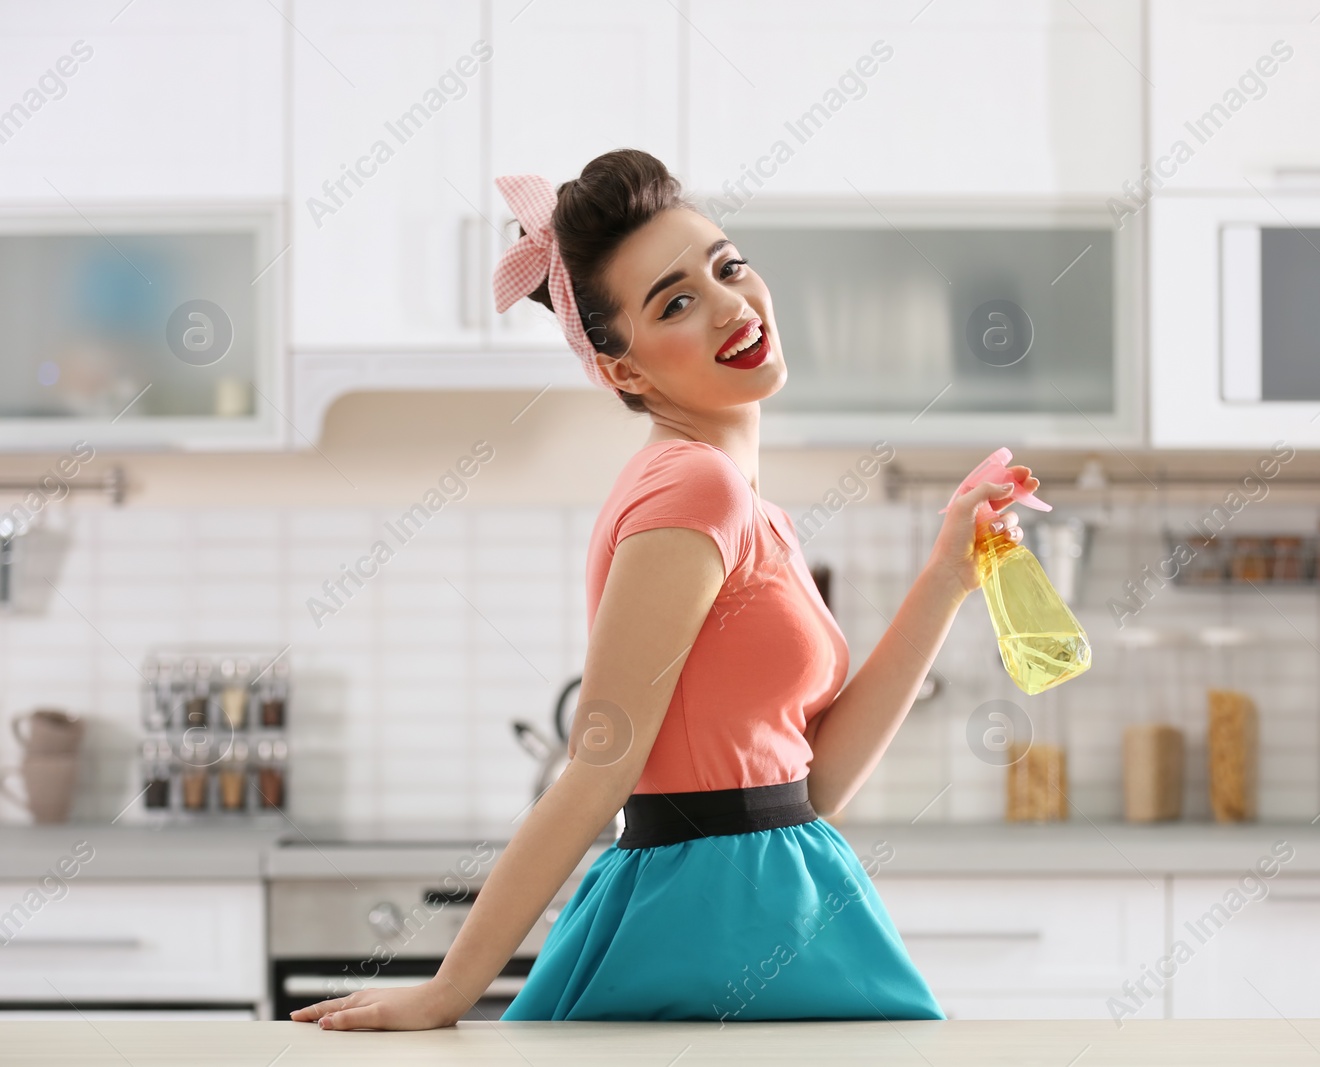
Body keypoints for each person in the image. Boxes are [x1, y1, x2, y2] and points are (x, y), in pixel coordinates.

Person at [290, 148, 1036, 1030]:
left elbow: (814, 785)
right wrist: (450, 992)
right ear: (625, 371)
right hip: (713, 919)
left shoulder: (746, 504)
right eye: (675, 302)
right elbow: (600, 761)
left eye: (728, 266)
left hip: (782, 890)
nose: (729, 304)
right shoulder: (695, 488)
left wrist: (950, 574)